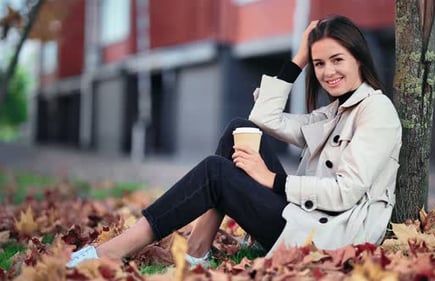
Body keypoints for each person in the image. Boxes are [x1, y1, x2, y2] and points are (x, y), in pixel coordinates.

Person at [67, 15, 401, 268]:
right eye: (320, 63)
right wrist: (298, 59)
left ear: (359, 57)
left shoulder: (376, 111)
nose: (328, 72)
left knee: (216, 171)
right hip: (308, 219)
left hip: (330, 237)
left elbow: (347, 191)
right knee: (239, 129)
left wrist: (272, 180)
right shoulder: (336, 111)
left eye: (337, 59)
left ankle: (115, 250)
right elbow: (264, 119)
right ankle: (198, 249)